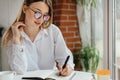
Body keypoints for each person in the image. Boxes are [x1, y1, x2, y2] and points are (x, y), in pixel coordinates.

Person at [1, 0, 75, 76]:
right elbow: (19, 71)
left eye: (45, 15)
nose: (40, 19)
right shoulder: (13, 34)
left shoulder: (53, 32)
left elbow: (65, 57)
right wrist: (16, 40)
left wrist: (68, 67)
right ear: (25, 8)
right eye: (37, 13)